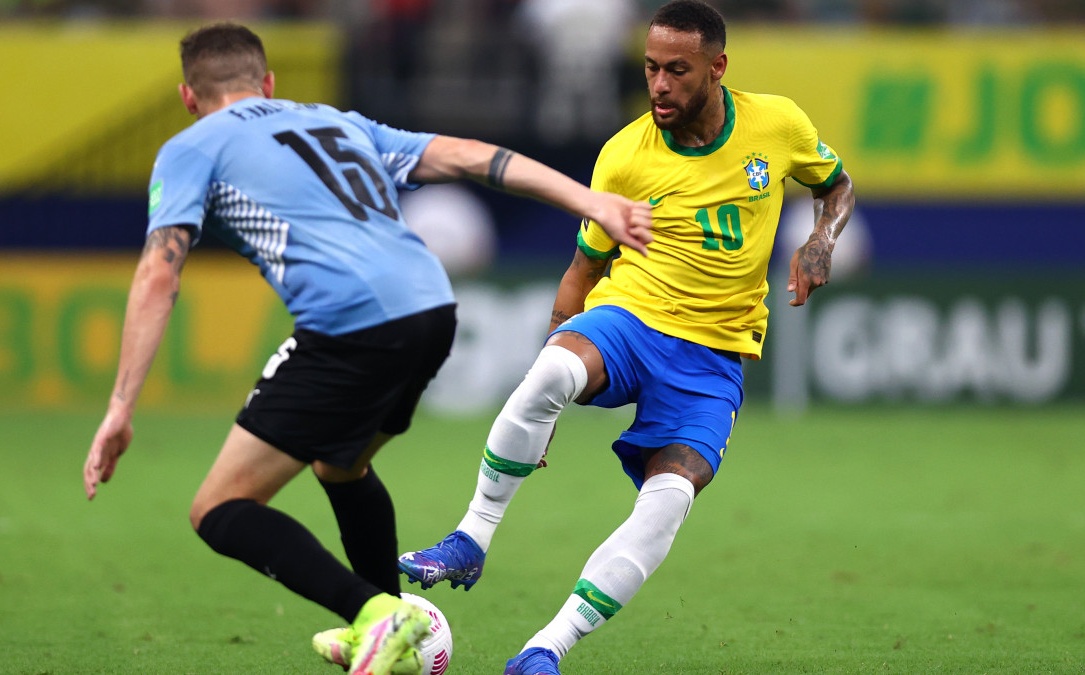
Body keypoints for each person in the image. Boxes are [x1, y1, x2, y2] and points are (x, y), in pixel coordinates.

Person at [80, 22, 652, 675]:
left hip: (352, 324)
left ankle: (376, 611)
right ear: (268, 83)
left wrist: (121, 403)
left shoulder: (192, 146)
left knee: (219, 508)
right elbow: (469, 156)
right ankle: (387, 621)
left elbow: (160, 271)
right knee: (339, 464)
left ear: (188, 96)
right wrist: (589, 199)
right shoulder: (335, 121)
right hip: (432, 309)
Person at [397, 1, 856, 673]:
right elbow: (582, 269)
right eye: (650, 68)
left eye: (678, 70)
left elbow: (836, 185)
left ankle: (543, 650)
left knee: (666, 506)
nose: (660, 85)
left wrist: (822, 239)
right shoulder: (623, 156)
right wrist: (543, 380)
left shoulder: (777, 124)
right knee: (553, 374)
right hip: (632, 321)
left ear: (717, 67)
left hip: (713, 359)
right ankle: (471, 535)